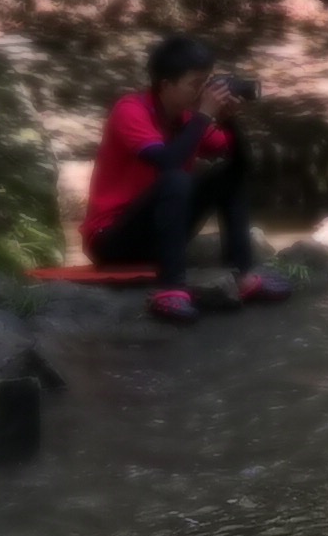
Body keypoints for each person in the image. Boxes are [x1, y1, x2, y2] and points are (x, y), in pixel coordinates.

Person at [83, 34, 285, 323]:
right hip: (111, 240)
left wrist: (229, 120)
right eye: (195, 84)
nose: (203, 92)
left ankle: (242, 275)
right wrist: (205, 115)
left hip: (157, 235)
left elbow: (240, 166)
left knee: (225, 177)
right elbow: (167, 162)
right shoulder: (130, 110)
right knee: (177, 179)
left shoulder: (189, 119)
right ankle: (170, 288)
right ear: (166, 85)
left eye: (207, 82)